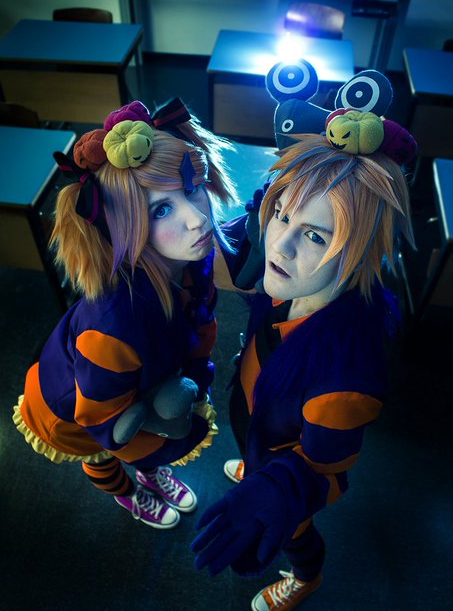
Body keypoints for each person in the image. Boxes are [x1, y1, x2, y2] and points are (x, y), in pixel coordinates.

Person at [192, 106, 416, 609]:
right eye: (283, 215)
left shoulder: (346, 377)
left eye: (316, 235)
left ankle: (305, 579)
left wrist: (282, 489)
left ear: (359, 253)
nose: (282, 246)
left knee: (296, 533)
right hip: (259, 429)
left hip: (287, 457)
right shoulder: (285, 284)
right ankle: (254, 465)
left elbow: (328, 470)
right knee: (253, 452)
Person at [13, 97, 237, 530]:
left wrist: (195, 375)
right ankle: (128, 494)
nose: (197, 219)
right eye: (161, 209)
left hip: (137, 380)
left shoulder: (189, 260)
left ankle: (150, 474)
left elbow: (199, 322)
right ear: (124, 228)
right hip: (73, 407)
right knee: (102, 456)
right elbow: (104, 420)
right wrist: (173, 431)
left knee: (144, 436)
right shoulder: (112, 324)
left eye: (192, 188)